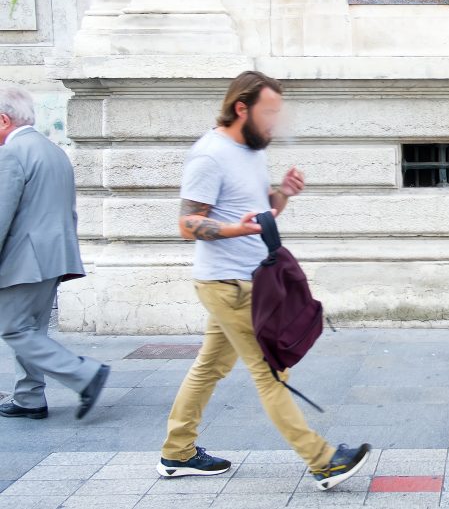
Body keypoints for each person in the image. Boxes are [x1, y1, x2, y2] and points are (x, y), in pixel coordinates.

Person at [156, 71, 370, 490]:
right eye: (269, 112)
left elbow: (260, 212)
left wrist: (284, 194)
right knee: (271, 371)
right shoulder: (209, 155)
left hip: (248, 278)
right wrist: (237, 230)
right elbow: (187, 224)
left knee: (210, 366)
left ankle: (177, 451)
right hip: (228, 284)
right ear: (242, 108)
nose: (275, 122)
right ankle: (323, 460)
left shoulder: (251, 150)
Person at [0, 85, 110, 421]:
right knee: (31, 329)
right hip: (53, 256)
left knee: (15, 329)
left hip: (24, 259)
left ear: (3, 119)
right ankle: (29, 397)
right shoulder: (53, 150)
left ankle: (84, 374)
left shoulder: (11, 154)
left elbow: (2, 214)